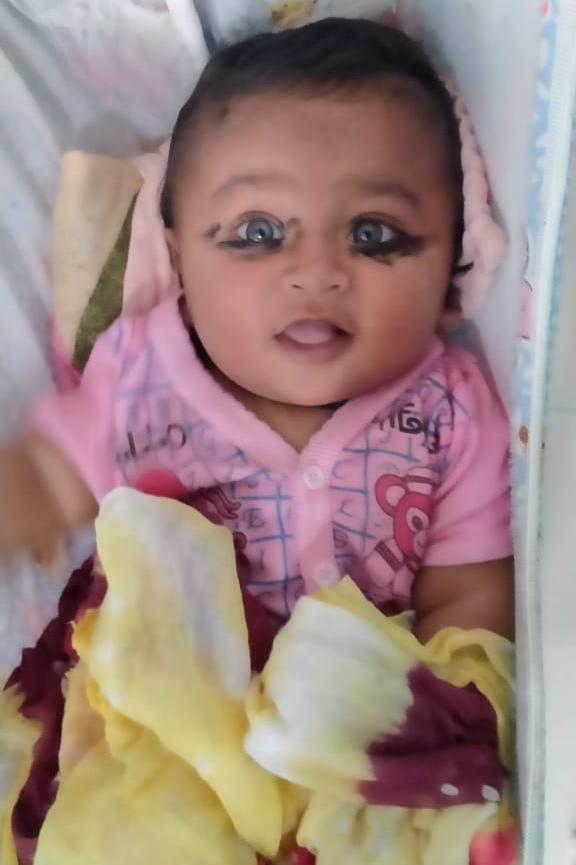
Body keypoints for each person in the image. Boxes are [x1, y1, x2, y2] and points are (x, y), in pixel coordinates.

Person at [0, 17, 513, 643]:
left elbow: (469, 596)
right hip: (156, 691)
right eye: (258, 232)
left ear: (450, 267)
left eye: (373, 233)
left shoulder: (452, 413)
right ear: (182, 263)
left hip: (371, 696)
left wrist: (434, 696)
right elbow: (46, 480)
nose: (315, 273)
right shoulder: (143, 376)